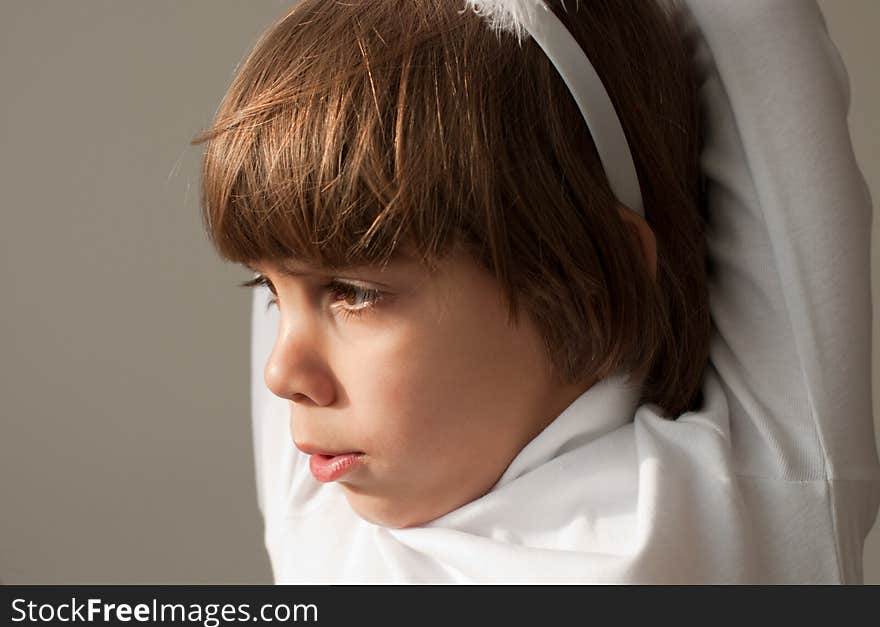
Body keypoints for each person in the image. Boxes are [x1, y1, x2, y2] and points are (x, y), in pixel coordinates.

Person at [190, 0, 880, 583]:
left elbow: (760, 43)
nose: (282, 373)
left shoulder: (753, 498)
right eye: (273, 292)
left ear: (588, 278)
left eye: (354, 292)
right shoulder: (323, 511)